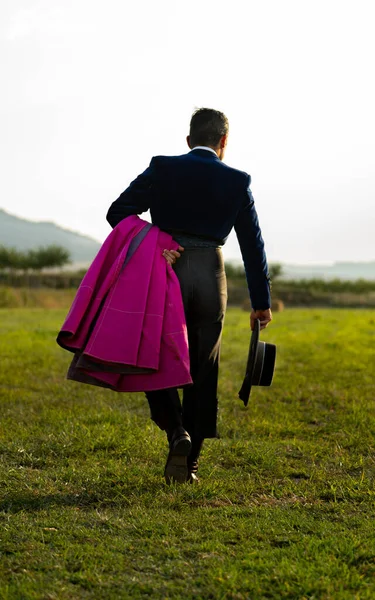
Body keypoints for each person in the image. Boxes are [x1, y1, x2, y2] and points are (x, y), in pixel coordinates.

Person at [106, 108, 272, 484]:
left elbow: (118, 213)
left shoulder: (162, 167)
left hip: (166, 272)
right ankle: (190, 462)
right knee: (204, 367)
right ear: (224, 142)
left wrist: (157, 242)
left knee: (156, 358)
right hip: (211, 279)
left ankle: (176, 431)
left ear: (188, 140)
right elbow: (252, 246)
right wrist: (261, 302)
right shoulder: (237, 181)